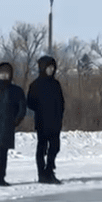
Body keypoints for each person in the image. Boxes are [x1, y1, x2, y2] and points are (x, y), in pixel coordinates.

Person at [27, 55, 66, 184]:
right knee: (42, 148)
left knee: (55, 147)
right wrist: (41, 108)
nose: (51, 70)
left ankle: (49, 170)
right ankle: (41, 174)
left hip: (55, 122)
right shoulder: (35, 85)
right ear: (43, 68)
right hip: (42, 122)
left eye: (53, 68)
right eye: (48, 67)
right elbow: (30, 102)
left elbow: (61, 102)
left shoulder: (56, 84)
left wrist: (59, 115)